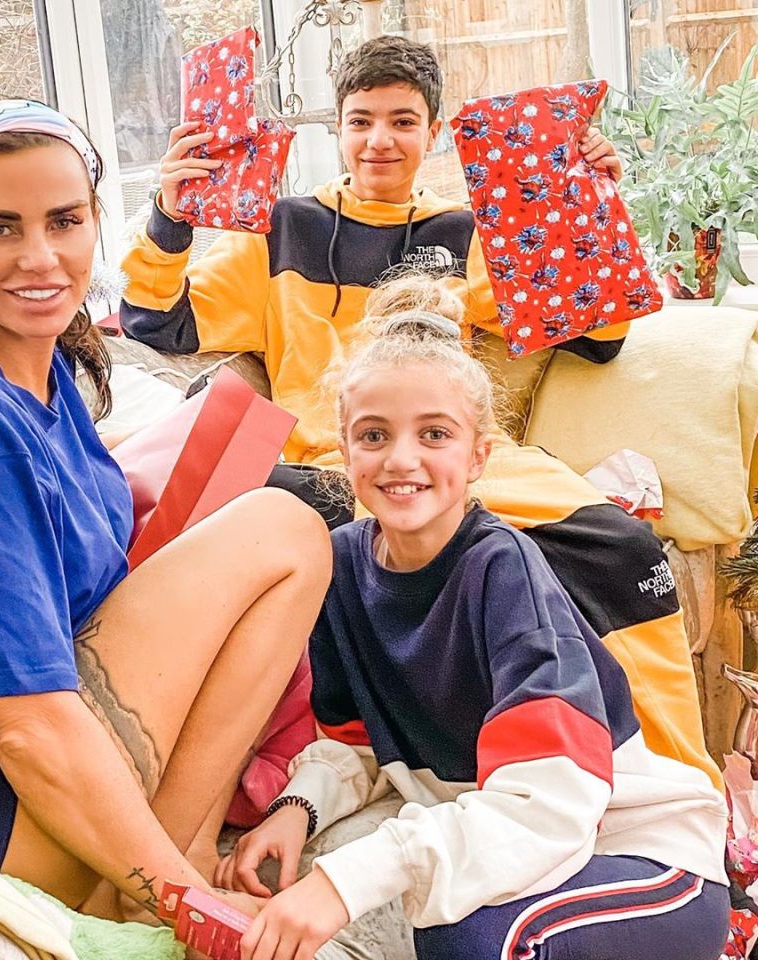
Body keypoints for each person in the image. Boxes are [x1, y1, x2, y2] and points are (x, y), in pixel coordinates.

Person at [119, 35, 720, 791]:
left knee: (622, 547)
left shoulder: (470, 234)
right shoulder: (282, 231)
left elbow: (599, 337)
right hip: (337, 465)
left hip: (458, 457)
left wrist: (588, 201)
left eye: (402, 121)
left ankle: (676, 785)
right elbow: (155, 322)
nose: (379, 140)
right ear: (337, 128)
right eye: (361, 119)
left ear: (432, 132)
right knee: (270, 502)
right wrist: (170, 218)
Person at [0, 98, 332, 918]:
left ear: (95, 222)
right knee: (290, 532)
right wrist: (188, 903)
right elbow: (30, 733)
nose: (41, 257)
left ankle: (178, 839)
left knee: (284, 523)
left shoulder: (31, 365)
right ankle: (157, 872)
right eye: (0, 228)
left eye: (62, 221)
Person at [216, 275, 729, 960]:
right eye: (374, 434)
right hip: (526, 849)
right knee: (442, 919)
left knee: (480, 939)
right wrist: (298, 807)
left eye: (435, 434)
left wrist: (346, 881)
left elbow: (552, 800)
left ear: (479, 454)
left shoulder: (503, 567)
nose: (402, 460)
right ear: (343, 448)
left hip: (635, 848)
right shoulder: (338, 564)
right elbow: (360, 741)